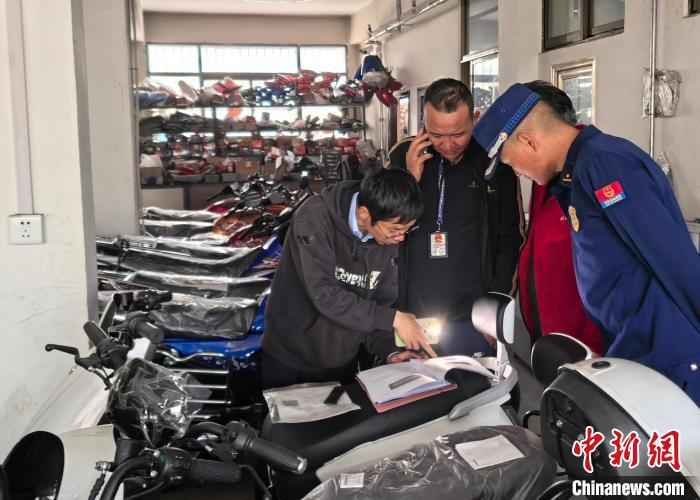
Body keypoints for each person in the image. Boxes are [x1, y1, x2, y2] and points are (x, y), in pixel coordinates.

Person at [473, 83, 700, 404]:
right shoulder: (575, 174)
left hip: (667, 352)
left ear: (528, 141)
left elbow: (671, 255)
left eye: (511, 162)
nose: (518, 172)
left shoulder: (606, 164)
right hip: (632, 347)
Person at [262, 168, 436, 390]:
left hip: (342, 359)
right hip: (291, 356)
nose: (400, 238)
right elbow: (324, 294)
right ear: (364, 214)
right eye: (395, 230)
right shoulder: (314, 219)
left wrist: (390, 351)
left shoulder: (386, 238)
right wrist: (394, 319)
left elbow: (379, 305)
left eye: (407, 230)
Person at [388, 78, 524, 357]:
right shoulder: (404, 155)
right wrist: (408, 181)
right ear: (424, 122)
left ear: (475, 119)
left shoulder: (494, 160)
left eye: (458, 134)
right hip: (411, 314)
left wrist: (495, 307)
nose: (448, 144)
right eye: (436, 135)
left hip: (473, 316)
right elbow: (381, 227)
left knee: (476, 382)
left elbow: (511, 238)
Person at [518, 81, 602, 354]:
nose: (516, 170)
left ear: (531, 139)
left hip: (587, 345)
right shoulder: (546, 175)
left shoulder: (598, 169)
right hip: (550, 331)